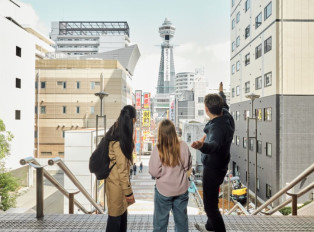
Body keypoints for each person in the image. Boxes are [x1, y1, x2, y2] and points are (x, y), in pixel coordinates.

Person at [192, 82, 235, 232]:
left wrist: (201, 145)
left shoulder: (217, 127)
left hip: (213, 168)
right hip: (222, 164)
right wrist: (221, 92)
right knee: (212, 198)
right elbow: (225, 105)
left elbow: (213, 145)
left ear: (206, 109)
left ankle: (217, 229)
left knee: (210, 205)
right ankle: (210, 227)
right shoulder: (226, 115)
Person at [149, 119, 192, 232]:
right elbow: (187, 166)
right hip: (181, 188)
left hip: (163, 190)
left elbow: (154, 172)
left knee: (160, 224)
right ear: (174, 131)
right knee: (181, 222)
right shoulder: (183, 146)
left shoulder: (158, 149)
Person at [104, 105, 136, 232]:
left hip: (117, 184)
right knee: (115, 220)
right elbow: (122, 171)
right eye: (135, 120)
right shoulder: (119, 141)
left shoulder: (116, 131)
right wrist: (129, 193)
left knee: (121, 218)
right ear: (131, 120)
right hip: (117, 186)